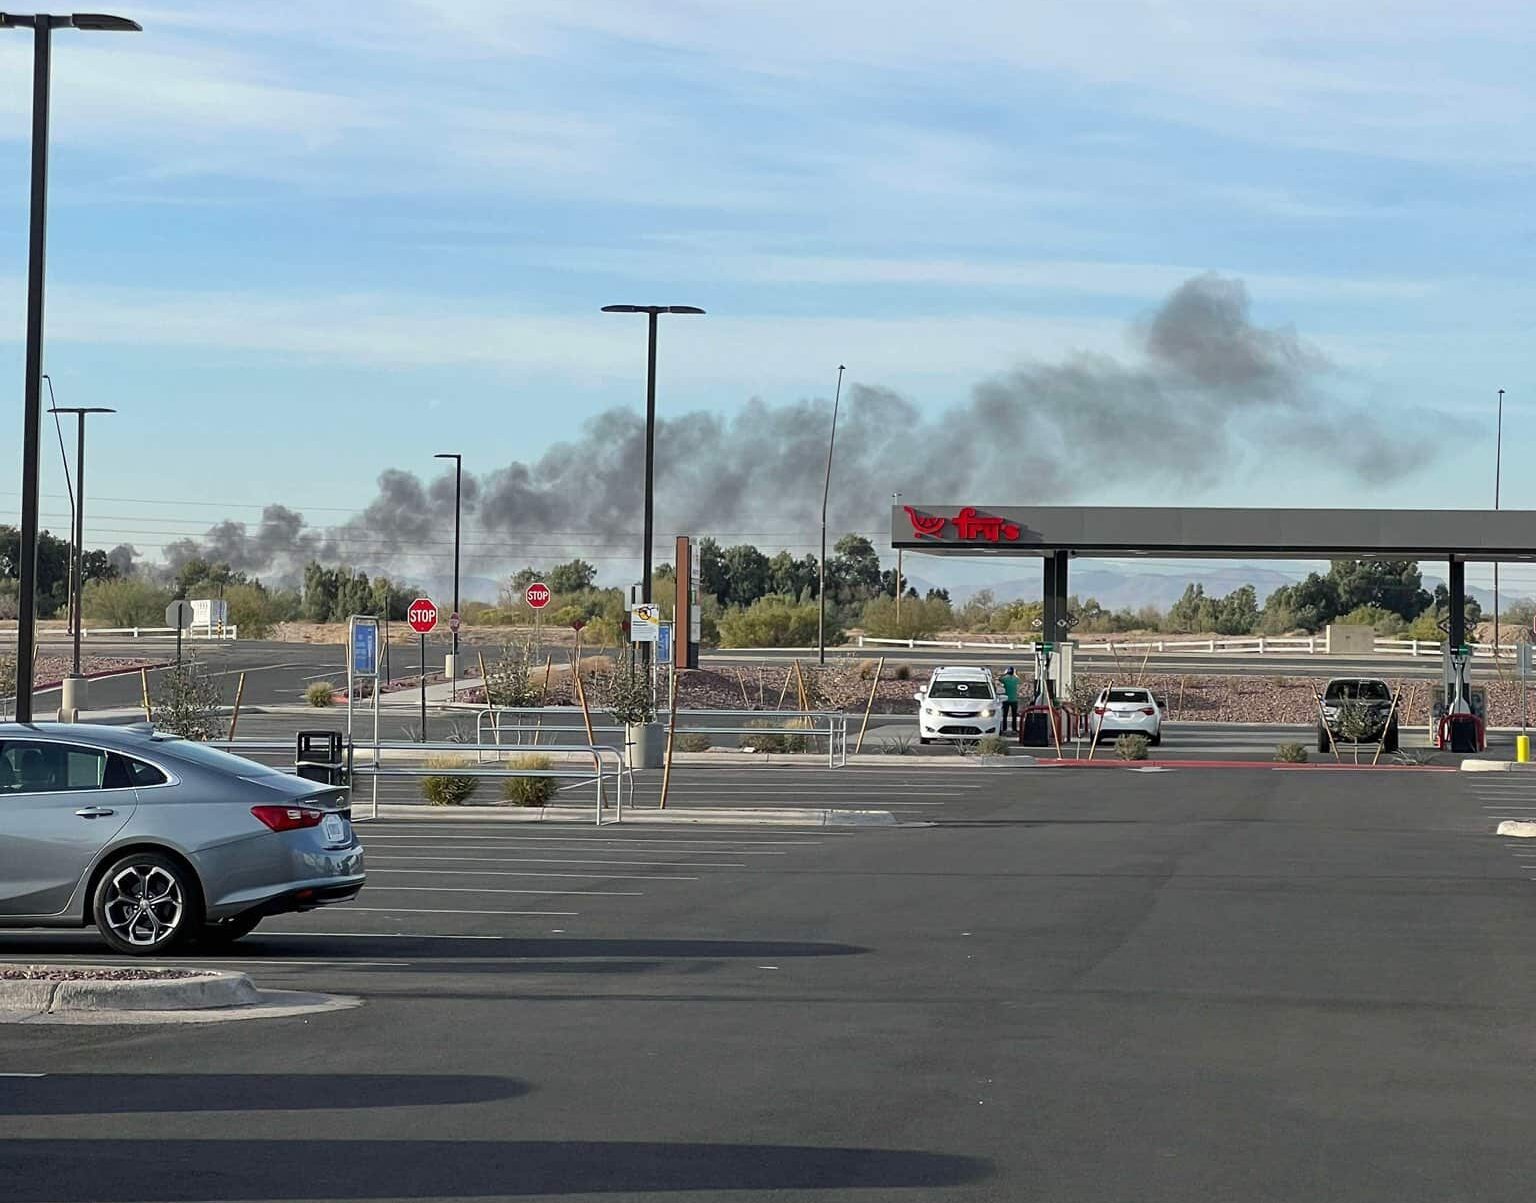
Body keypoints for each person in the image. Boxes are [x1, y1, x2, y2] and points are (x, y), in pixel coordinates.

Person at [998, 665, 1021, 735]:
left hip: (1006, 699)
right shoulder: (1016, 679)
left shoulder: (1005, 679)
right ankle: (1014, 729)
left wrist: (1003, 674)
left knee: (1005, 715)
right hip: (1014, 699)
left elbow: (999, 679)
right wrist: (1016, 674)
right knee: (1014, 715)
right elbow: (1019, 680)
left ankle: (1004, 728)